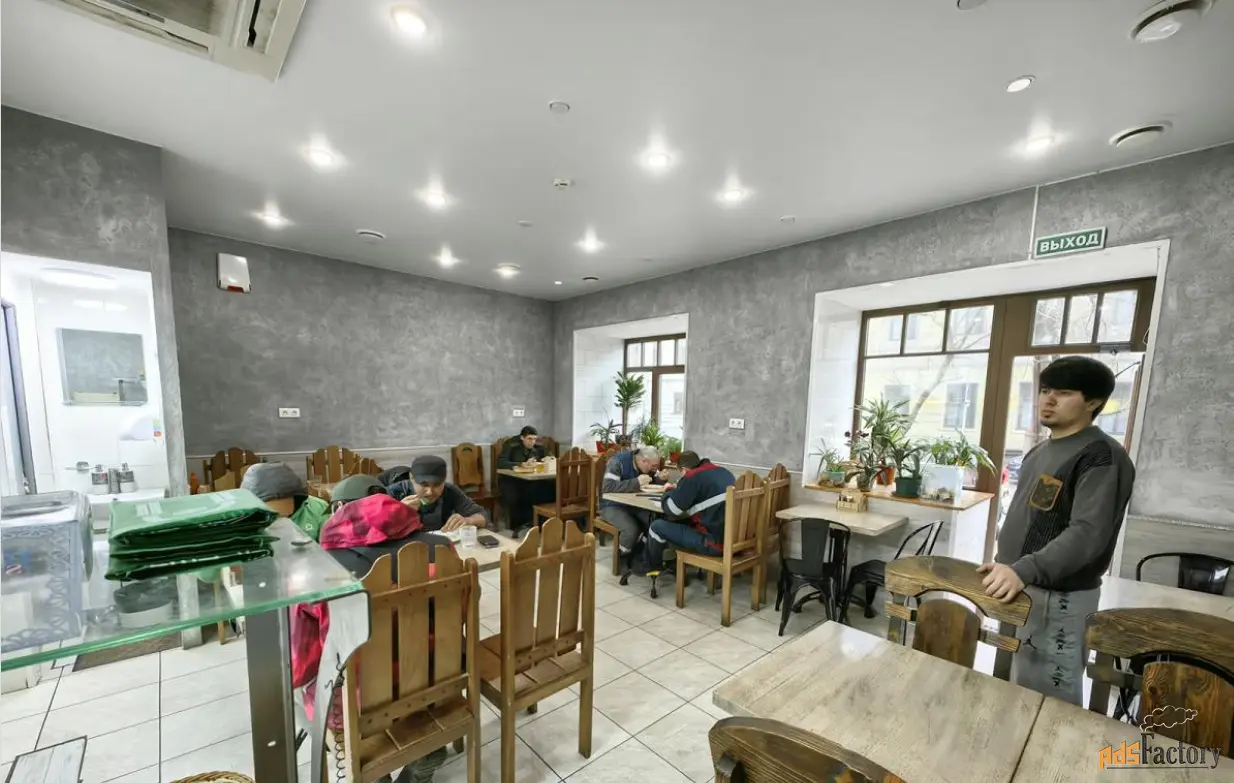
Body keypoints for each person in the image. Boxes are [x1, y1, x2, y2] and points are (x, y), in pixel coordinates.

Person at [980, 356, 1135, 706]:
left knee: (1049, 702)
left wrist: (1023, 568)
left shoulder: (1100, 456)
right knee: (1017, 689)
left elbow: (1088, 533)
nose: (1048, 400)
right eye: (1045, 390)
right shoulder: (1040, 450)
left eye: (1063, 393)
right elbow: (1034, 516)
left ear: (1093, 402)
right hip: (1021, 586)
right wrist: (1005, 563)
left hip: (1059, 596)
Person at [292, 493, 452, 782]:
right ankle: (423, 750)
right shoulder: (442, 550)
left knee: (297, 694)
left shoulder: (317, 572)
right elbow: (461, 612)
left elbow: (299, 667)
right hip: (433, 679)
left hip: (358, 698)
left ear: (339, 511)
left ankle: (373, 772)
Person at [645, 451, 735, 578]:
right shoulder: (724, 472)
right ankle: (674, 562)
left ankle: (654, 567)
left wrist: (668, 490)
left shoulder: (692, 477)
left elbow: (672, 509)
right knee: (676, 523)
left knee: (657, 526)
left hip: (713, 543)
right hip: (730, 539)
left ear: (684, 469)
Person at [598, 446, 667, 576]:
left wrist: (660, 479)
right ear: (644, 461)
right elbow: (607, 487)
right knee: (631, 529)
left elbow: (649, 483)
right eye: (653, 466)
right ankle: (621, 559)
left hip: (633, 504)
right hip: (611, 505)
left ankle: (639, 556)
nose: (654, 469)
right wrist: (636, 482)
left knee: (654, 522)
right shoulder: (617, 462)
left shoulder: (644, 467)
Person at [387, 455, 490, 532]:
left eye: (437, 485)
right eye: (424, 485)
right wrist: (397, 513)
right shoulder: (393, 492)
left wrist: (468, 520)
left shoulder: (450, 491)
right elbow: (377, 529)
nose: (430, 492)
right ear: (412, 478)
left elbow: (483, 516)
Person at [241, 462, 331, 541]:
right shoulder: (239, 517)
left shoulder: (319, 508)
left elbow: (330, 545)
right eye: (274, 518)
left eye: (286, 516)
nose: (282, 523)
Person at [496, 426, 555, 531]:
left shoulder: (536, 446)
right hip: (510, 480)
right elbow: (501, 463)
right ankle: (519, 524)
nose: (532, 442)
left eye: (534, 439)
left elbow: (549, 456)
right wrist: (521, 464)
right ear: (522, 438)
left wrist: (548, 459)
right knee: (518, 493)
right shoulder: (511, 445)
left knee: (549, 486)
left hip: (529, 480)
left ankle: (541, 522)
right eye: (529, 439)